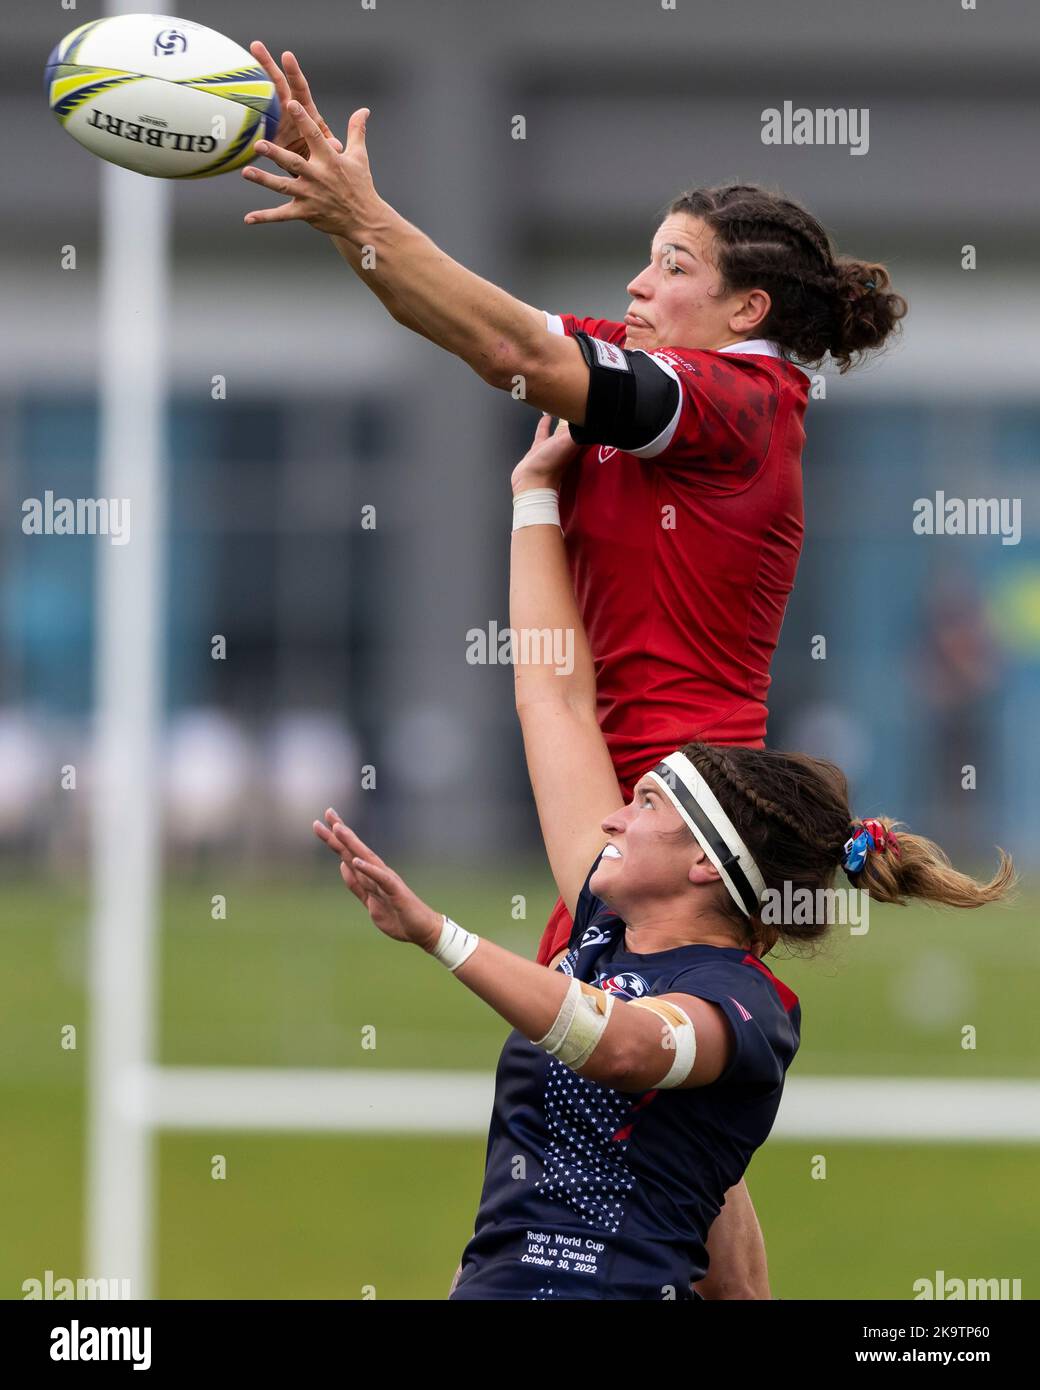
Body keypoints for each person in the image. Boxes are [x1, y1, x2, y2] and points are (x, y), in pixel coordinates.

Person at [313, 415, 1012, 1300]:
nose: (611, 817)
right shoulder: (605, 927)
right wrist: (532, 496)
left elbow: (629, 1050)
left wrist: (436, 934)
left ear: (702, 868)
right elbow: (554, 695)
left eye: (645, 803)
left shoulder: (744, 1010)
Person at [242, 45, 909, 974]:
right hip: (630, 808)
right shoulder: (675, 373)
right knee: (570, 1088)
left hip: (678, 825)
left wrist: (369, 216)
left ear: (747, 310)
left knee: (614, 1086)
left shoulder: (736, 403)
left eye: (672, 266)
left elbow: (503, 342)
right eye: (646, 261)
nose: (638, 286)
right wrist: (343, 216)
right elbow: (465, 321)